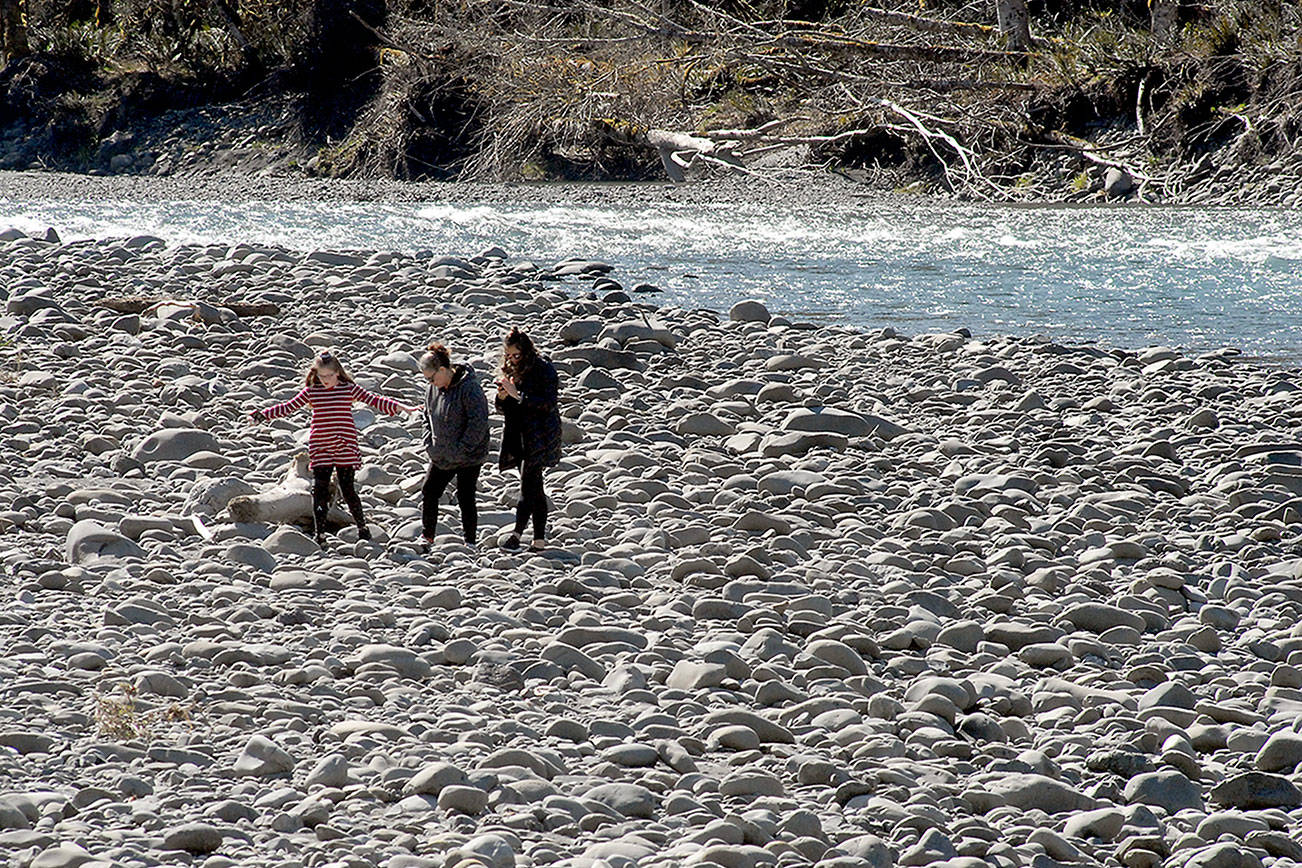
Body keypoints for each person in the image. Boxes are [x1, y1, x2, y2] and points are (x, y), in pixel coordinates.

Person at [249, 350, 420, 545]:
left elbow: (374, 400)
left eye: (329, 376)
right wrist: (262, 414)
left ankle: (362, 528)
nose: (325, 380)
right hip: (321, 446)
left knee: (348, 490)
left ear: (337, 372)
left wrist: (403, 408)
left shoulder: (348, 389)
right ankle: (320, 534)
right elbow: (289, 406)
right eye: (321, 376)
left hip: (345, 446)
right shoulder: (312, 391)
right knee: (319, 489)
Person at [495, 327, 561, 551]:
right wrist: (503, 395)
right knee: (536, 487)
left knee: (528, 485)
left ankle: (516, 534)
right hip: (519, 435)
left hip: (540, 435)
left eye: (516, 355)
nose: (512, 359)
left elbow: (548, 403)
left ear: (526, 351)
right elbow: (503, 408)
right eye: (509, 355)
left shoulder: (543, 368)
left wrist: (518, 395)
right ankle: (539, 541)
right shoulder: (514, 370)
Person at [419, 342, 489, 547]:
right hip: (440, 453)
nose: (431, 383)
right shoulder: (432, 389)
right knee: (430, 491)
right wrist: (428, 444)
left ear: (443, 369)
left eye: (432, 378)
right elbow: (426, 416)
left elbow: (479, 422)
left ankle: (470, 542)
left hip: (469, 455)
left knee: (466, 495)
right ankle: (427, 537)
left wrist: (462, 449)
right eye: (427, 380)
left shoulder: (470, 388)